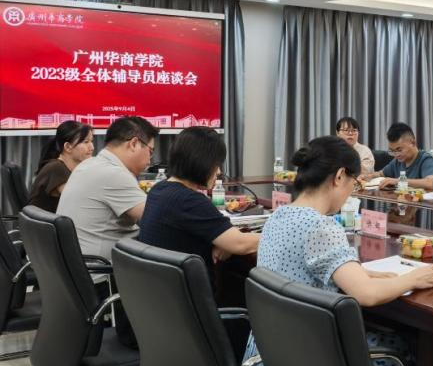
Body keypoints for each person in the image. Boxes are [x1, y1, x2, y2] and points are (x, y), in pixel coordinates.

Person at [239, 136, 433, 366]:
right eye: (354, 183)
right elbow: (367, 295)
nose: (352, 192)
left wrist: (363, 271)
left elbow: (306, 266)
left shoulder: (279, 216)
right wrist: (413, 277)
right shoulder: (321, 226)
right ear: (339, 176)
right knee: (401, 346)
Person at [138, 127, 260, 271]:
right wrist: (278, 235)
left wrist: (224, 242)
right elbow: (240, 244)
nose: (219, 171)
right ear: (202, 162)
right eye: (216, 164)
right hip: (189, 284)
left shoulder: (158, 189)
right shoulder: (189, 201)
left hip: (160, 281)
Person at [57, 115, 155, 261]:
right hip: (101, 269)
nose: (150, 160)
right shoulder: (114, 173)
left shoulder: (89, 164)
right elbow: (156, 218)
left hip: (74, 262)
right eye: (150, 151)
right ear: (134, 143)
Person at [28, 121, 94, 212]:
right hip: (49, 221)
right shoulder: (57, 168)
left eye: (91, 141)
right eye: (85, 142)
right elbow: (79, 201)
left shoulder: (67, 167)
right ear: (68, 147)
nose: (92, 147)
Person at [367, 123, 433, 190]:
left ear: (413, 143)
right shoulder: (397, 161)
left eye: (399, 150)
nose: (396, 155)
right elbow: (381, 174)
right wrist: (369, 176)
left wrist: (398, 181)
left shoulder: (426, 159)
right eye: (392, 151)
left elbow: (431, 183)